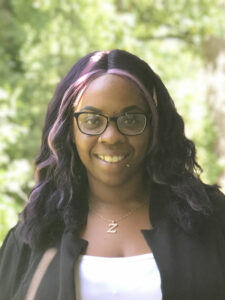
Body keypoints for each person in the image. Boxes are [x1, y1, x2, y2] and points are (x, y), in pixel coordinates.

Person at [0, 49, 225, 300]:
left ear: (154, 126)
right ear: (69, 131)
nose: (111, 136)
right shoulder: (34, 234)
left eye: (130, 119)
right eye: (92, 120)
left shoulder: (211, 220)